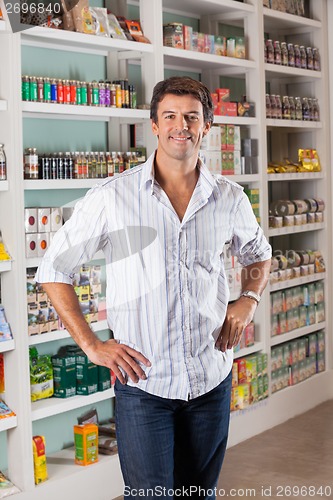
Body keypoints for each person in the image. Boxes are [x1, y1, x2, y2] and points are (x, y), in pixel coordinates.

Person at [36, 76, 272, 499]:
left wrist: (248, 301)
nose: (181, 125)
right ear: (154, 126)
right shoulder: (114, 196)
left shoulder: (229, 198)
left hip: (210, 376)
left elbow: (258, 253)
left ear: (207, 126)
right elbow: (55, 268)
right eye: (170, 116)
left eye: (191, 117)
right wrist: (91, 344)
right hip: (145, 384)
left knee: (200, 493)